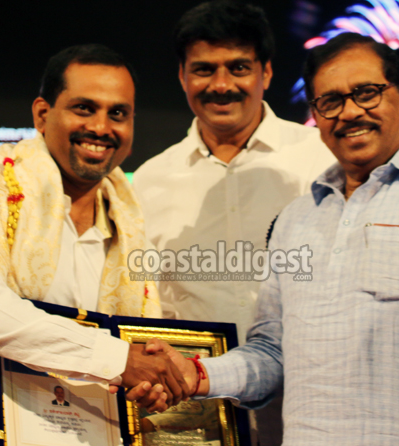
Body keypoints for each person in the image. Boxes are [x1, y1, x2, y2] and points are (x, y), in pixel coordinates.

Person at [132, 32, 399, 446]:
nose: (349, 112)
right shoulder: (296, 219)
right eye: (330, 101)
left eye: (367, 93)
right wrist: (197, 374)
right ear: (316, 117)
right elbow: (271, 353)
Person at [0, 44, 188, 446]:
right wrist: (119, 359)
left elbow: (134, 341)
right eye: (84, 108)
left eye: (118, 113)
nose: (101, 127)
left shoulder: (129, 218)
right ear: (42, 114)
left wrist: (149, 381)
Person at [132, 3, 334, 443]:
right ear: (183, 76)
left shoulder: (323, 159)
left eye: (238, 67)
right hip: (198, 420)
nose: (221, 85)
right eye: (204, 70)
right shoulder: (148, 182)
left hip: (312, 413)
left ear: (266, 72)